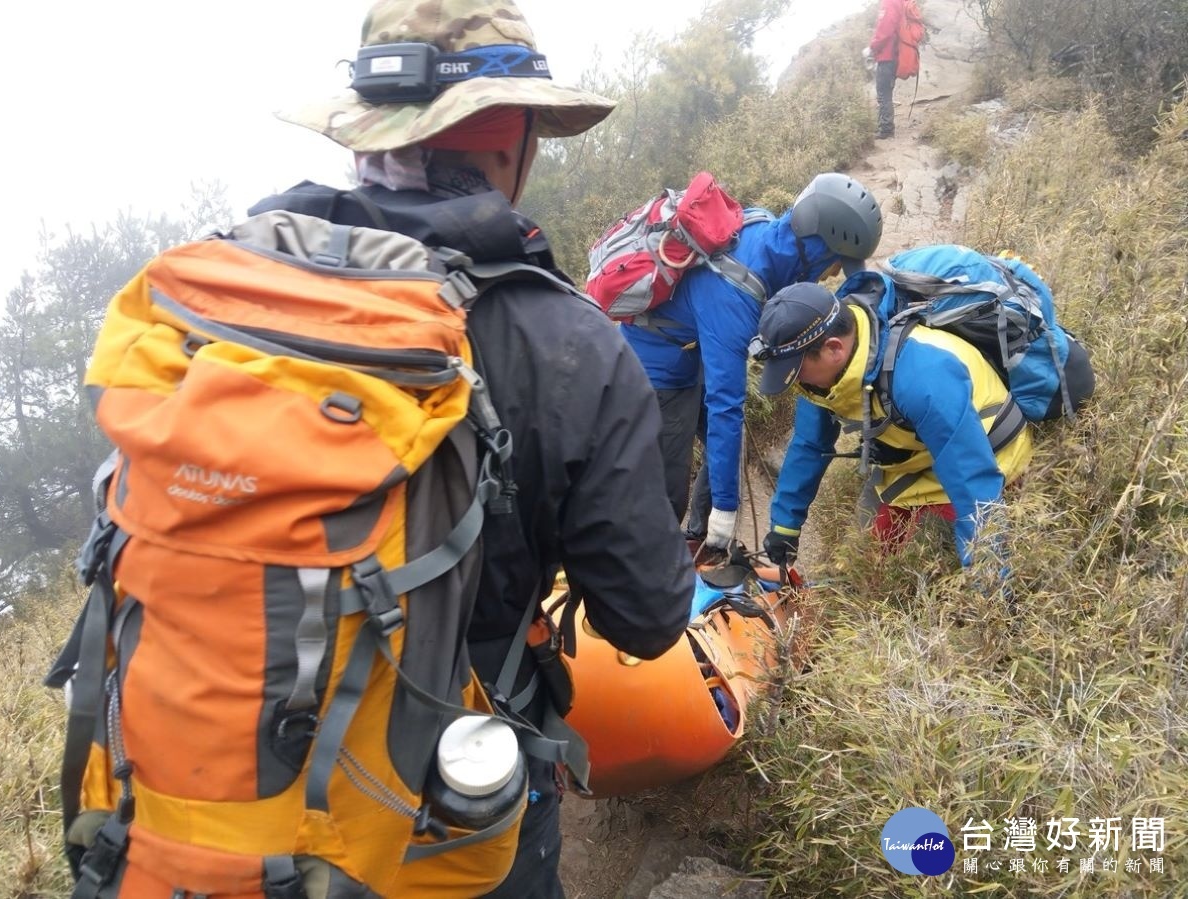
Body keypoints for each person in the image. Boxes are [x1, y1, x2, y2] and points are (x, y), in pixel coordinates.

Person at [266, 0, 696, 894]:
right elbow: (648, 615)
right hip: (445, 803)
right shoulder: (567, 343)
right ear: (510, 140)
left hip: (224, 779)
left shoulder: (232, 288)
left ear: (366, 135)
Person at [620, 173, 883, 553]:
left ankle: (700, 540)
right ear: (817, 247)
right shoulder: (734, 294)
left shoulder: (762, 226)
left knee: (724, 443)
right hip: (657, 368)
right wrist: (728, 511)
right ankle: (652, 564)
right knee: (670, 484)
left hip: (693, 346)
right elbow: (726, 406)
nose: (834, 274)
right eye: (835, 263)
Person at [753, 281, 1033, 573]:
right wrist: (785, 526)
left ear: (833, 349)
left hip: (989, 453)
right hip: (917, 460)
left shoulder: (922, 378)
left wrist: (988, 588)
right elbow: (810, 443)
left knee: (934, 570)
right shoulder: (823, 375)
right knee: (857, 569)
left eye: (797, 373)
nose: (797, 383)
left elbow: (974, 486)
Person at [867, 0, 906, 139]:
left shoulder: (890, 2)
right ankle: (884, 127)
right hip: (895, 55)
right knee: (886, 93)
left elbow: (884, 30)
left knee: (883, 94)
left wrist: (872, 47)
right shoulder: (900, 2)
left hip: (886, 56)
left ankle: (886, 129)